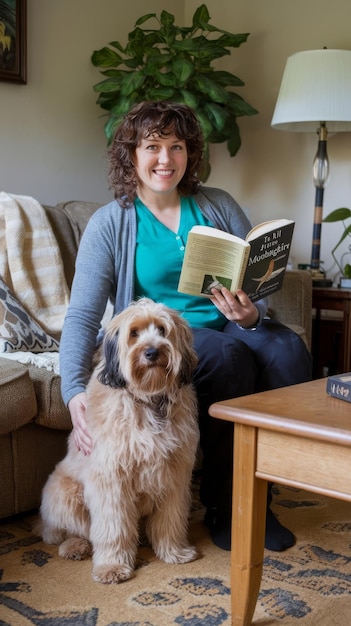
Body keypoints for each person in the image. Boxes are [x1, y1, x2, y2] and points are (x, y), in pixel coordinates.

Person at [60, 100, 312, 552]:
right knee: (229, 358)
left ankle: (264, 494)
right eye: (152, 146)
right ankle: (226, 505)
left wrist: (250, 312)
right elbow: (81, 315)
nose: (165, 159)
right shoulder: (110, 222)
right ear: (131, 155)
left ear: (189, 154)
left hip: (232, 322)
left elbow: (259, 282)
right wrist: (74, 390)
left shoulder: (218, 204)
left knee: (288, 350)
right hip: (179, 340)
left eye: (176, 147)